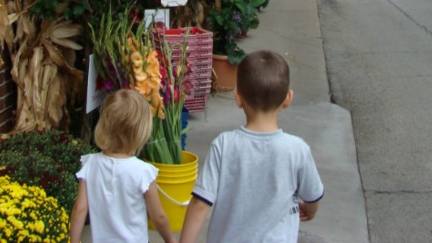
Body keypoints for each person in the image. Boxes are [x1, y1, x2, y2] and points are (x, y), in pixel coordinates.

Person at [179, 50, 324, 243]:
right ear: (288, 98)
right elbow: (313, 195)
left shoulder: (224, 144)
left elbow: (200, 202)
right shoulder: (296, 149)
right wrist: (310, 210)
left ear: (238, 98)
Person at [69, 89, 176, 243]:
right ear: (141, 130)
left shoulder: (90, 164)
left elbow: (79, 210)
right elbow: (158, 216)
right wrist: (170, 239)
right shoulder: (143, 172)